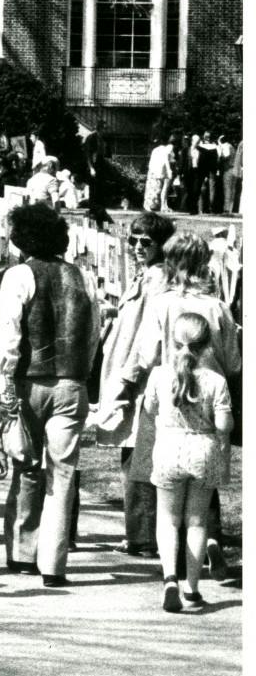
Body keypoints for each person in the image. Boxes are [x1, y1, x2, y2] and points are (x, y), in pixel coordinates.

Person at [0, 200, 97, 586]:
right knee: (63, 475)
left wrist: (5, 379)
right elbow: (93, 331)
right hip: (71, 381)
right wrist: (82, 373)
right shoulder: (81, 276)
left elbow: (10, 336)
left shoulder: (18, 275)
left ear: (22, 238)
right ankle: (54, 564)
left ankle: (22, 552)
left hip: (28, 381)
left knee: (26, 466)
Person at [140, 314, 234, 613]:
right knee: (196, 521)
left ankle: (170, 579)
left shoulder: (159, 375)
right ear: (207, 344)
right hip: (202, 452)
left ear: (172, 340)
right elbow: (223, 424)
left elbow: (149, 408)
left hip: (168, 448)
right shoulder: (215, 381)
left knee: (167, 520)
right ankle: (193, 588)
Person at [97, 213, 175, 555]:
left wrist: (128, 381)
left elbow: (148, 336)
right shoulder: (144, 276)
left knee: (138, 455)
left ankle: (141, 537)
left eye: (146, 242)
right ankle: (142, 533)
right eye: (133, 241)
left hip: (138, 378)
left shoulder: (157, 279)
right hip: (127, 372)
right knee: (135, 452)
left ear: (161, 246)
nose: (137, 248)